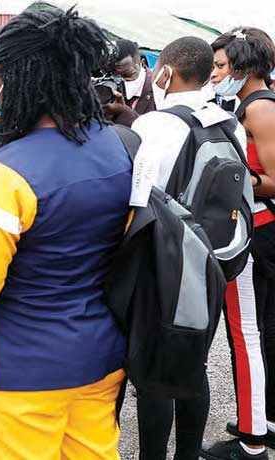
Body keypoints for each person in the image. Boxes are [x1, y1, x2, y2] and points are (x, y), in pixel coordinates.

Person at [0, 7, 130, 459]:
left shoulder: (5, 173)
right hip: (102, 356)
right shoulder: (118, 146)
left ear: (20, 83)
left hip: (24, 368)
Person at [128, 36, 247, 460]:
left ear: (165, 72)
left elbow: (139, 197)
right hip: (211, 262)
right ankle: (189, 454)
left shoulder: (154, 125)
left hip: (166, 262)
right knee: (194, 361)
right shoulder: (229, 123)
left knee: (154, 372)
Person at [201, 27, 275, 460]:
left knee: (245, 332)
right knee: (263, 330)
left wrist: (227, 175)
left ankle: (251, 441)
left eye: (222, 65)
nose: (215, 73)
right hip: (261, 230)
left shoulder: (259, 110)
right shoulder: (248, 106)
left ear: (244, 67)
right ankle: (263, 418)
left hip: (257, 234)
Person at [103, 39, 156, 127]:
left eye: (127, 75)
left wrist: (123, 110)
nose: (120, 81)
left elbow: (149, 130)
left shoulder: (158, 90)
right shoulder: (102, 85)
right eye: (113, 75)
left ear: (141, 63)